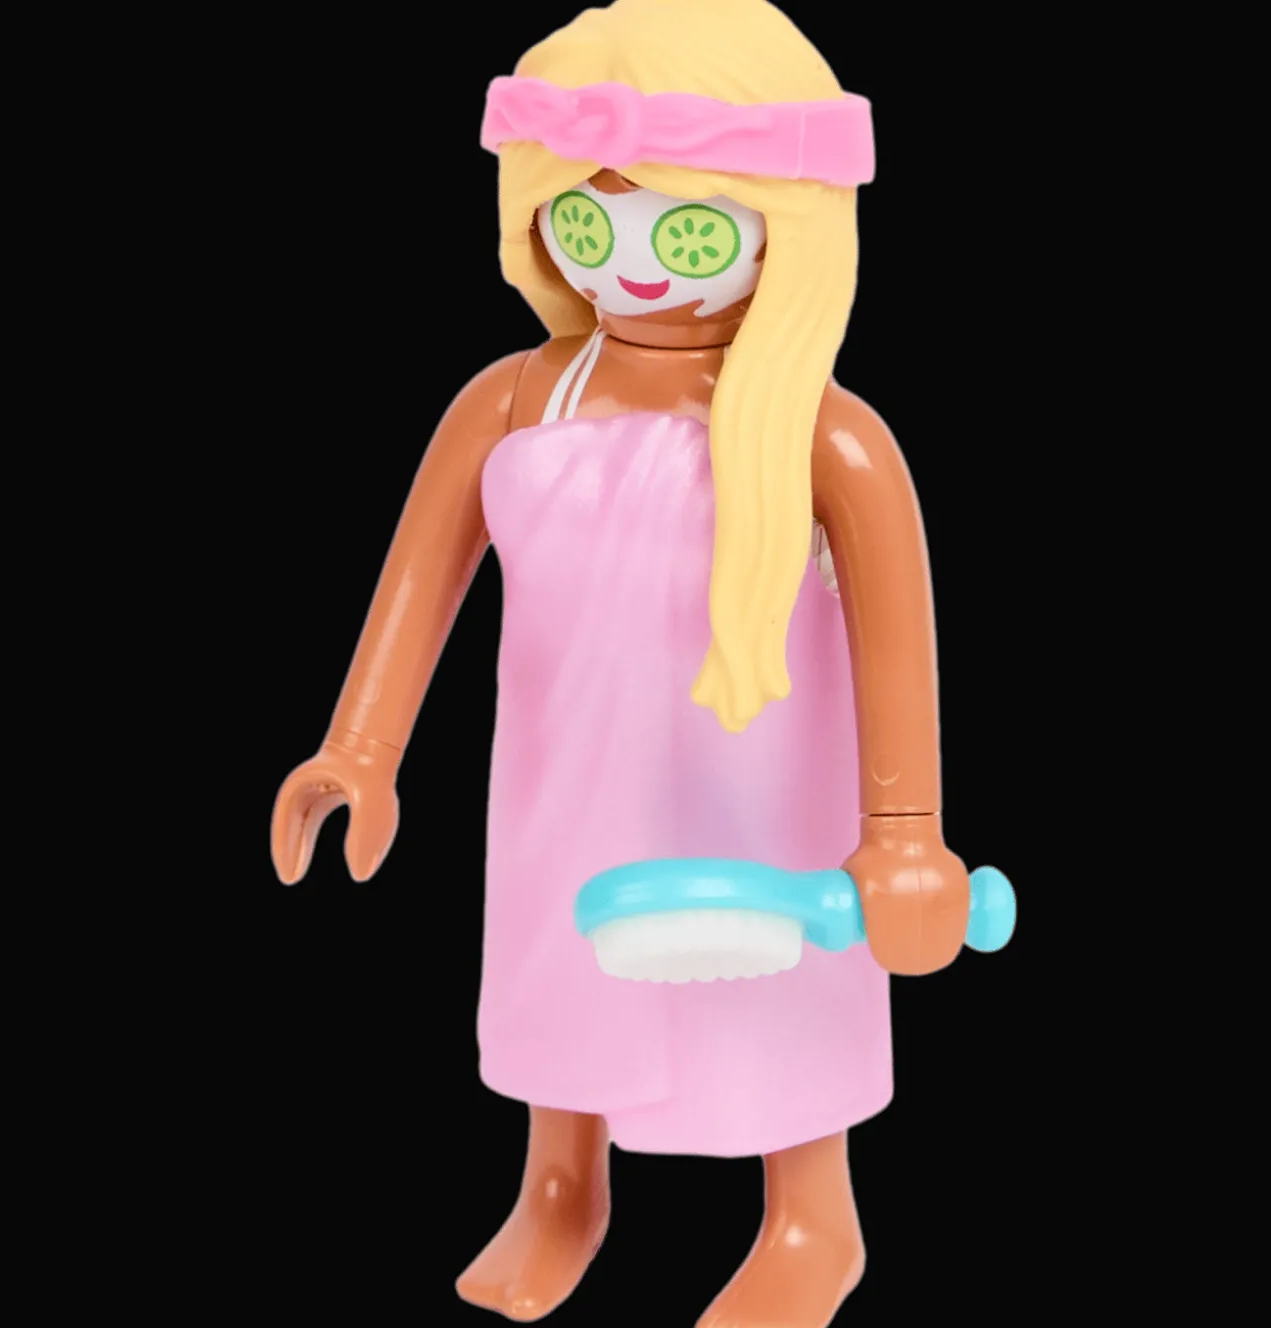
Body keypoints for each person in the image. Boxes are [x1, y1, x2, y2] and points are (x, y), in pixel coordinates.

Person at [272, 3, 971, 1323]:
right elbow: (419, 579)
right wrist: (357, 749)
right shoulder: (514, 400)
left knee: (778, 986)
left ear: (785, 226)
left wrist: (904, 835)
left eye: (688, 232)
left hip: (759, 794)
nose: (636, 269)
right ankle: (560, 1189)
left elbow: (900, 642)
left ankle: (813, 1219)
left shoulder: (825, 436)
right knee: (562, 962)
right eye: (589, 228)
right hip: (565, 777)